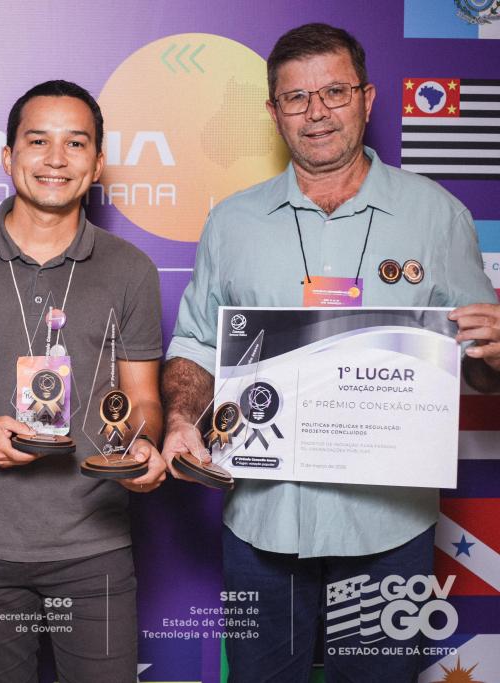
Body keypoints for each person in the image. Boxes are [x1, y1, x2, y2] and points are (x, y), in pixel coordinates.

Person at [161, 22, 500, 682]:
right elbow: (196, 341)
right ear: (274, 112)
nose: (316, 112)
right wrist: (179, 417)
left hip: (389, 529)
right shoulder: (231, 221)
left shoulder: (438, 216)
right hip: (259, 520)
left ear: (367, 99)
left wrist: (497, 352)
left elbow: (481, 370)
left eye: (335, 91)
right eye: (296, 97)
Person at [0, 80, 166, 682]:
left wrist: (140, 445)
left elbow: (143, 399)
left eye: (76, 143)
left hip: (93, 546)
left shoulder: (131, 270)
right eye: (38, 141)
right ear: (8, 156)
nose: (56, 159)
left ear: (97, 163)